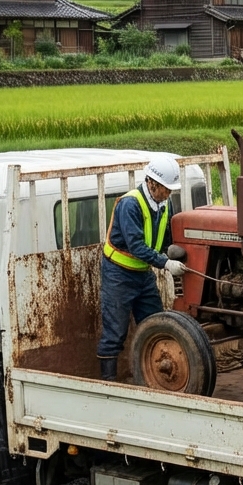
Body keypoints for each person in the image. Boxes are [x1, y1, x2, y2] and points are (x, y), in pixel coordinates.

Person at [97, 154, 186, 380]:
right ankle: (109, 385)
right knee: (115, 333)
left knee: (155, 323)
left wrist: (175, 253)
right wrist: (166, 263)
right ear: (152, 183)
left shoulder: (164, 204)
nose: (169, 193)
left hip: (142, 274)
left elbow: (167, 238)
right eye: (166, 188)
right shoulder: (130, 204)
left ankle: (154, 376)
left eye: (171, 189)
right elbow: (136, 246)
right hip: (119, 275)